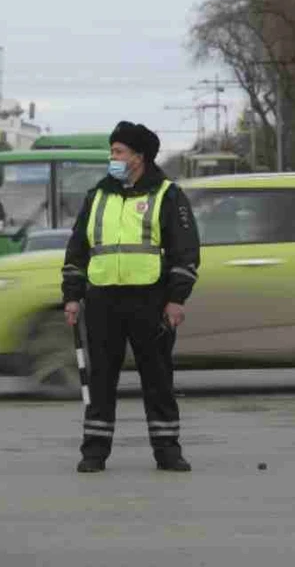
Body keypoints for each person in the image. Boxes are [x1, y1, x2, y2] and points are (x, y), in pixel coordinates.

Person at [62, 121, 201, 474]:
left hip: (150, 301)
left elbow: (185, 252)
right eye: (112, 151)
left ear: (139, 157)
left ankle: (167, 450)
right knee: (101, 380)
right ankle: (94, 451)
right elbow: (78, 249)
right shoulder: (97, 196)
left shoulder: (168, 195)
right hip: (103, 302)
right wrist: (72, 296)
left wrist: (176, 300)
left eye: (118, 152)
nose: (113, 157)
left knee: (157, 379)